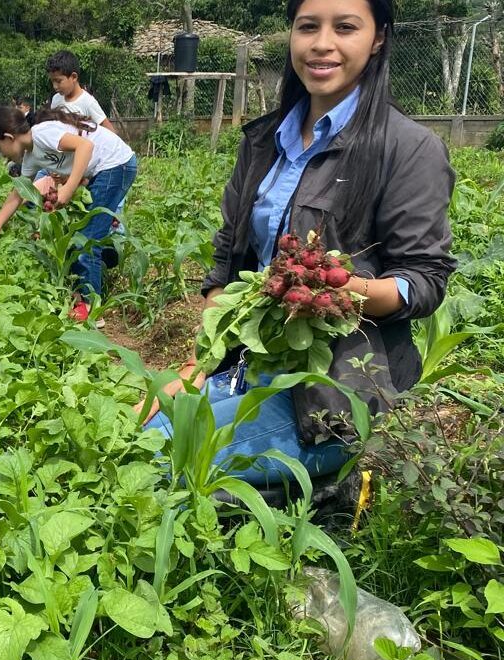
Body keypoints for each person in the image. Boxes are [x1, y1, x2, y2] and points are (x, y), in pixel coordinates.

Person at [137, 0, 455, 487]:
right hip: (252, 365)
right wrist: (197, 367)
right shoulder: (264, 140)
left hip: (336, 387)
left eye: (345, 27)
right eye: (308, 26)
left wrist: (340, 290)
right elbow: (227, 263)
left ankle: (345, 473)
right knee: (135, 431)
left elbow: (424, 282)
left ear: (378, 38)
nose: (322, 43)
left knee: (159, 459)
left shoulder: (407, 149)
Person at [0, 107, 136, 324]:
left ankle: (91, 308)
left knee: (87, 239)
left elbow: (86, 146)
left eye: (0, 148)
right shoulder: (31, 157)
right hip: (107, 169)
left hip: (116, 164)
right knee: (83, 235)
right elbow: (18, 193)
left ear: (9, 137)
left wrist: (69, 187)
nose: (2, 154)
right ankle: (102, 269)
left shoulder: (42, 134)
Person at [47, 50, 116, 133]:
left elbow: (110, 131)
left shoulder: (88, 102)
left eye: (58, 81)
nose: (55, 86)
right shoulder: (56, 99)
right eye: (52, 81)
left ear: (74, 77)